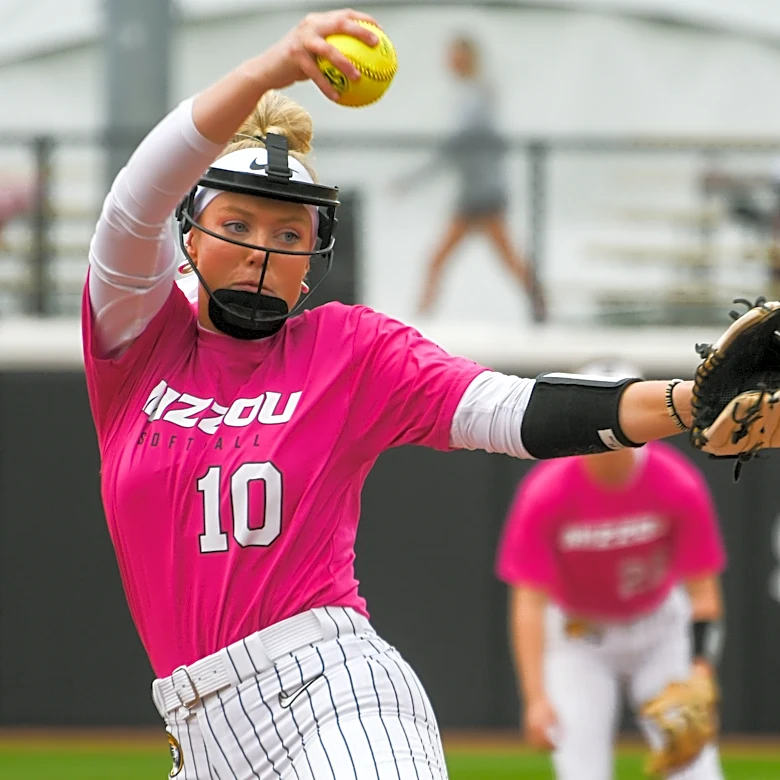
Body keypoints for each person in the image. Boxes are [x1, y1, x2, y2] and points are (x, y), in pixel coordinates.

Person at [82, 9, 710, 778]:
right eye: (237, 223)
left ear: (311, 261)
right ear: (189, 236)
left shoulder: (347, 350)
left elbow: (511, 410)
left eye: (289, 235)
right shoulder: (136, 345)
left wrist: (693, 401)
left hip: (330, 693)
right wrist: (269, 70)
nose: (261, 251)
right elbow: (132, 201)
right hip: (198, 737)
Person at [496, 358, 726, 780]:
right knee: (580, 770)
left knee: (696, 770)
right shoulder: (546, 491)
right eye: (595, 415)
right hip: (580, 637)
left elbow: (702, 590)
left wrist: (700, 670)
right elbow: (530, 601)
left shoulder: (676, 481)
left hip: (659, 629)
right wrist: (535, 698)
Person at [391, 35, 545, 321]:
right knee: (441, 259)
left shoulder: (479, 95)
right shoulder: (467, 95)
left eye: (455, 55)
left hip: (484, 195)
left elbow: (459, 144)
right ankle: (420, 318)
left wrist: (411, 180)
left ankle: (542, 306)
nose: (449, 61)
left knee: (498, 259)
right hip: (472, 195)